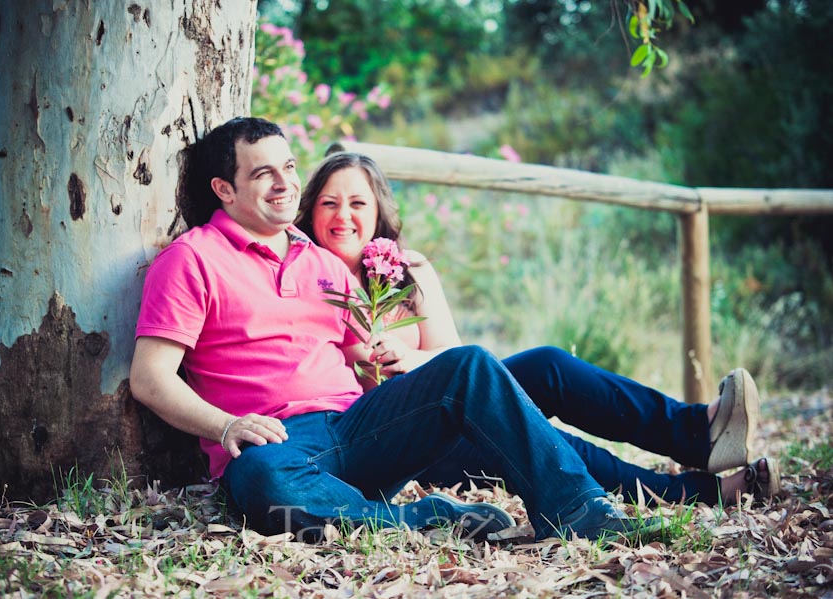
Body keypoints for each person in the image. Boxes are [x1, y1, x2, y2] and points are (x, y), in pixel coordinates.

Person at [130, 117, 664, 545]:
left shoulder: (324, 265)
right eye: (263, 172)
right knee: (260, 481)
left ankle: (576, 508)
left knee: (471, 365)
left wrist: (389, 356)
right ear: (224, 188)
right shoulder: (192, 259)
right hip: (278, 445)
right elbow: (151, 378)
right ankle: (419, 520)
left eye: (289, 166)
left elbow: (365, 359)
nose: (285, 182)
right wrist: (226, 427)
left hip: (358, 430)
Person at [294, 151, 782, 507]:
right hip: (397, 447)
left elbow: (452, 354)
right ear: (311, 212)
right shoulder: (301, 280)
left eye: (357, 203)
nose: (344, 216)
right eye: (330, 204)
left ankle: (695, 431)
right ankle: (698, 493)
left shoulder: (410, 268)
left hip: (452, 405)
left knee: (547, 364)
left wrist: (407, 356)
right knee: (544, 438)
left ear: (378, 210)